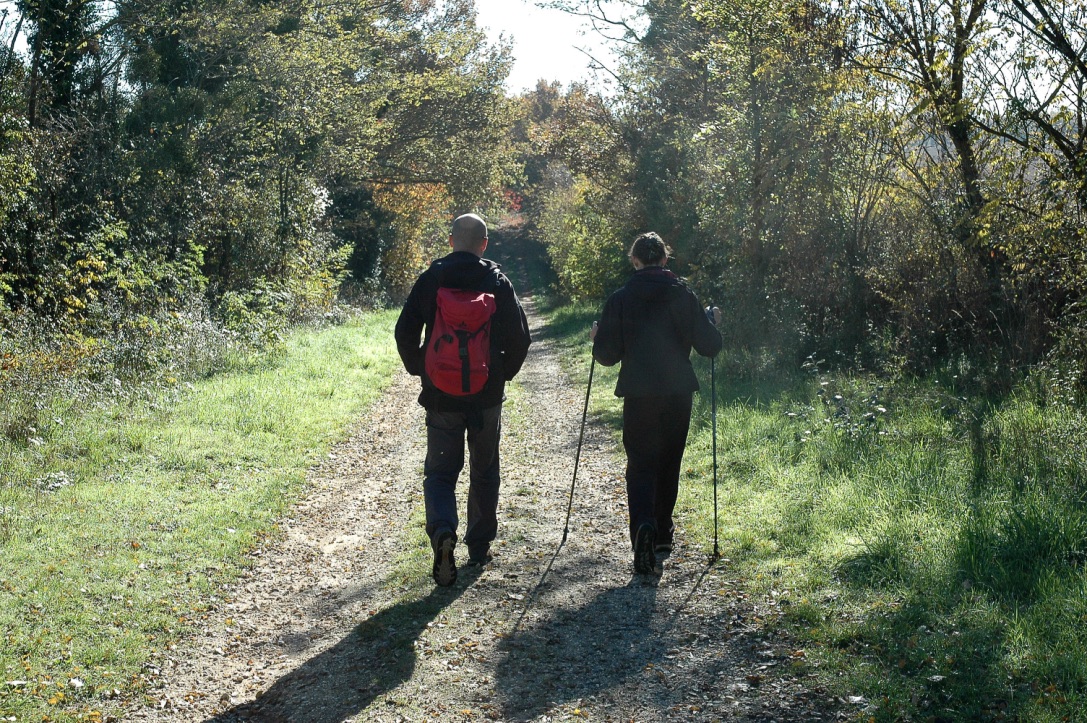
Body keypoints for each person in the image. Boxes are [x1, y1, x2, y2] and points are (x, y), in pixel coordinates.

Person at [395, 213, 532, 586]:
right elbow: (521, 338)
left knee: (440, 472)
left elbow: (404, 331)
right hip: (486, 396)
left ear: (451, 240)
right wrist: (501, 375)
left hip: (441, 396)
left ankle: (443, 530)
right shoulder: (497, 282)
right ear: (484, 244)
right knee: (484, 470)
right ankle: (479, 546)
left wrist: (421, 368)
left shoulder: (432, 279)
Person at [590, 231, 722, 574]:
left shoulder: (621, 298)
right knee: (669, 462)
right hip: (677, 392)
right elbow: (710, 347)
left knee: (641, 464)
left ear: (635, 261)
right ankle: (662, 532)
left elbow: (606, 356)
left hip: (639, 394)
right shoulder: (684, 294)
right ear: (664, 259)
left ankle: (643, 528)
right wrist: (711, 323)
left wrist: (597, 338)